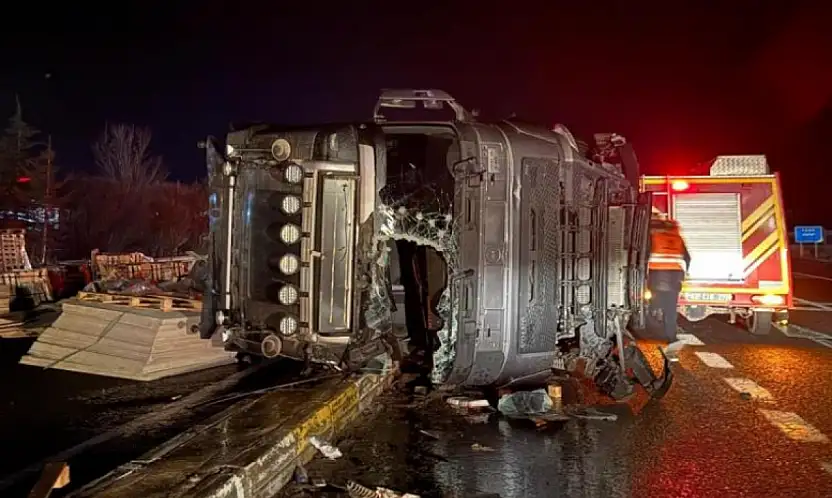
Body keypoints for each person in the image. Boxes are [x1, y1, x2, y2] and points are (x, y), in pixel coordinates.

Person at [647, 207, 691, 360]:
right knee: (670, 310)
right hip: (674, 279)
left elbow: (644, 255)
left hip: (655, 277)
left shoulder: (653, 236)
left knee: (651, 304)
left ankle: (650, 326)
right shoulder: (676, 237)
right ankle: (671, 338)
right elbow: (688, 258)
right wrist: (684, 274)